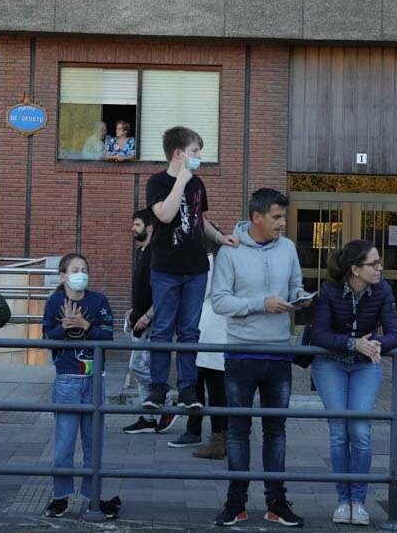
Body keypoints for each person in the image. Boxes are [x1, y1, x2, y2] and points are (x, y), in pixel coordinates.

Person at [211, 188, 308, 527]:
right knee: (237, 431)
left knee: (276, 431)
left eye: (284, 217)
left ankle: (276, 503)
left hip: (280, 353)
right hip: (241, 352)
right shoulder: (231, 251)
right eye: (277, 217)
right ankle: (235, 502)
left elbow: (296, 283)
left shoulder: (289, 248)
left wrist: (299, 297)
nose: (282, 224)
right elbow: (219, 301)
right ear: (256, 218)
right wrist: (260, 304)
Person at [144, 126, 237, 411]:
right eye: (195, 151)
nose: (199, 157)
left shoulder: (198, 184)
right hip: (166, 268)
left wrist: (220, 237)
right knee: (161, 329)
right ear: (179, 153)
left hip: (196, 269)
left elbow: (199, 219)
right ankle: (158, 387)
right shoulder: (158, 182)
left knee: (189, 330)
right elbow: (166, 214)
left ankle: (187, 388)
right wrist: (181, 180)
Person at [310, 239, 397, 527]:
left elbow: (394, 335)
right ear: (355, 269)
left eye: (379, 262)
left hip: (366, 365)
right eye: (374, 263)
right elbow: (319, 334)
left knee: (360, 430)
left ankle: (358, 502)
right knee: (339, 430)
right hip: (330, 364)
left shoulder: (383, 290)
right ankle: (343, 501)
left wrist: (373, 344)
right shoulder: (330, 290)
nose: (380, 268)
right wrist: (352, 344)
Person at [41, 253, 121, 519]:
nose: (81, 274)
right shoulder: (54, 302)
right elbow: (47, 336)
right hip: (67, 380)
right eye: (75, 269)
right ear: (63, 276)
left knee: (93, 443)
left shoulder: (99, 301)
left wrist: (85, 325)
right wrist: (63, 328)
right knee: (64, 443)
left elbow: (108, 335)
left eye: (84, 269)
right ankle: (60, 497)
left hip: (95, 379)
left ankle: (91, 497)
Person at [123, 209, 178, 435]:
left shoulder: (158, 253)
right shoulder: (140, 252)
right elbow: (141, 288)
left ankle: (165, 399)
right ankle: (148, 417)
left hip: (152, 321)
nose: (132, 228)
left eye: (137, 224)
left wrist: (148, 315)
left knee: (137, 366)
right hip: (138, 319)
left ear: (150, 228)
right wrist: (133, 310)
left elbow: (165, 291)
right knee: (141, 368)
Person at [179, 250, 228, 458]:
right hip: (212, 331)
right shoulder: (223, 261)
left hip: (211, 332)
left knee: (215, 390)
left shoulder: (210, 261)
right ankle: (205, 433)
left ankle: (217, 439)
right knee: (207, 388)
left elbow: (202, 291)